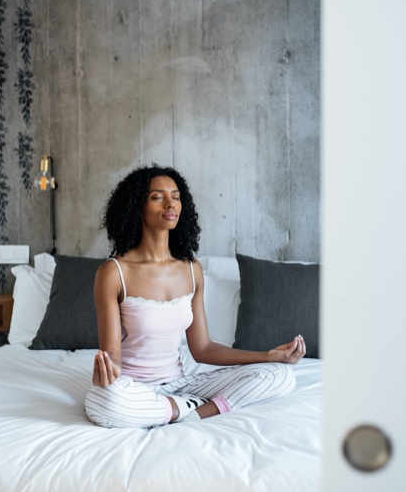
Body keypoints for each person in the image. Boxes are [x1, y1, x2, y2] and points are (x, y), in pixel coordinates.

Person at [84, 165, 307, 428]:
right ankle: (184, 408)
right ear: (138, 208)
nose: (170, 204)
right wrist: (108, 374)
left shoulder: (191, 269)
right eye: (158, 197)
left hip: (181, 385)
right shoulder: (113, 272)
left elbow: (202, 348)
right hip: (134, 388)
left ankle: (192, 411)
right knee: (103, 401)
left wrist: (268, 356)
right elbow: (114, 356)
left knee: (281, 375)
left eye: (176, 197)